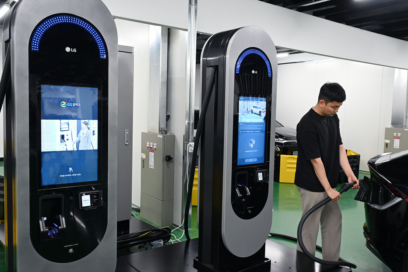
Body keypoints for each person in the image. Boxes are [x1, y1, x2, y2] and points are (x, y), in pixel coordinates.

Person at [295, 82, 360, 261]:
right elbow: (316, 161)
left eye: (339, 106)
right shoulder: (307, 124)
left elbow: (340, 147)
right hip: (312, 185)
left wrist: (349, 173)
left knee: (334, 222)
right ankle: (305, 264)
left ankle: (330, 263)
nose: (337, 110)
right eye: (334, 106)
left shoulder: (333, 118)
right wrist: (328, 189)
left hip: (329, 184)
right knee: (309, 227)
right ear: (322, 102)